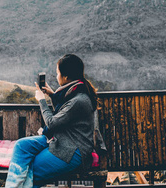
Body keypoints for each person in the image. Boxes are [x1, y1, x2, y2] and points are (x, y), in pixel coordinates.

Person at [5, 54, 98, 188]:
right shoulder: (74, 92)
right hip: (60, 140)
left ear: (66, 77)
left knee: (30, 171)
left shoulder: (79, 100)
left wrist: (42, 100)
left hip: (72, 150)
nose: (57, 76)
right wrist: (52, 95)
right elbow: (64, 114)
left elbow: (52, 122)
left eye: (58, 73)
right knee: (21, 145)